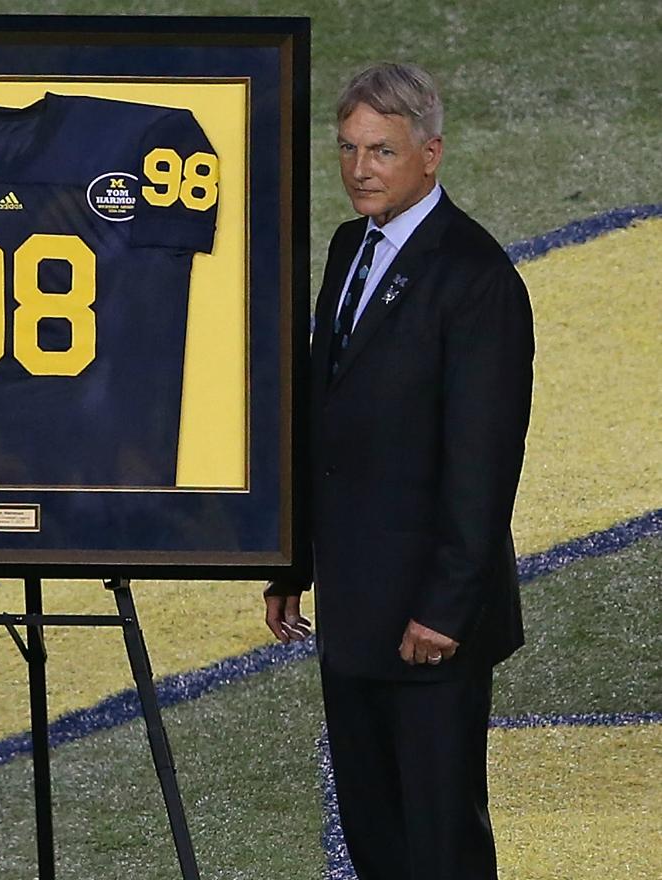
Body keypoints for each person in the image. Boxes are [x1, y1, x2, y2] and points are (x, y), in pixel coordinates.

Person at [264, 63, 534, 879]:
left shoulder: (477, 277)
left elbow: (483, 463)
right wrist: (292, 561)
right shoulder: (349, 247)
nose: (358, 170)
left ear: (431, 154)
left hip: (430, 626)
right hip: (354, 614)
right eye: (346, 149)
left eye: (380, 151)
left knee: (441, 845)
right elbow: (326, 423)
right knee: (375, 837)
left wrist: (446, 610)